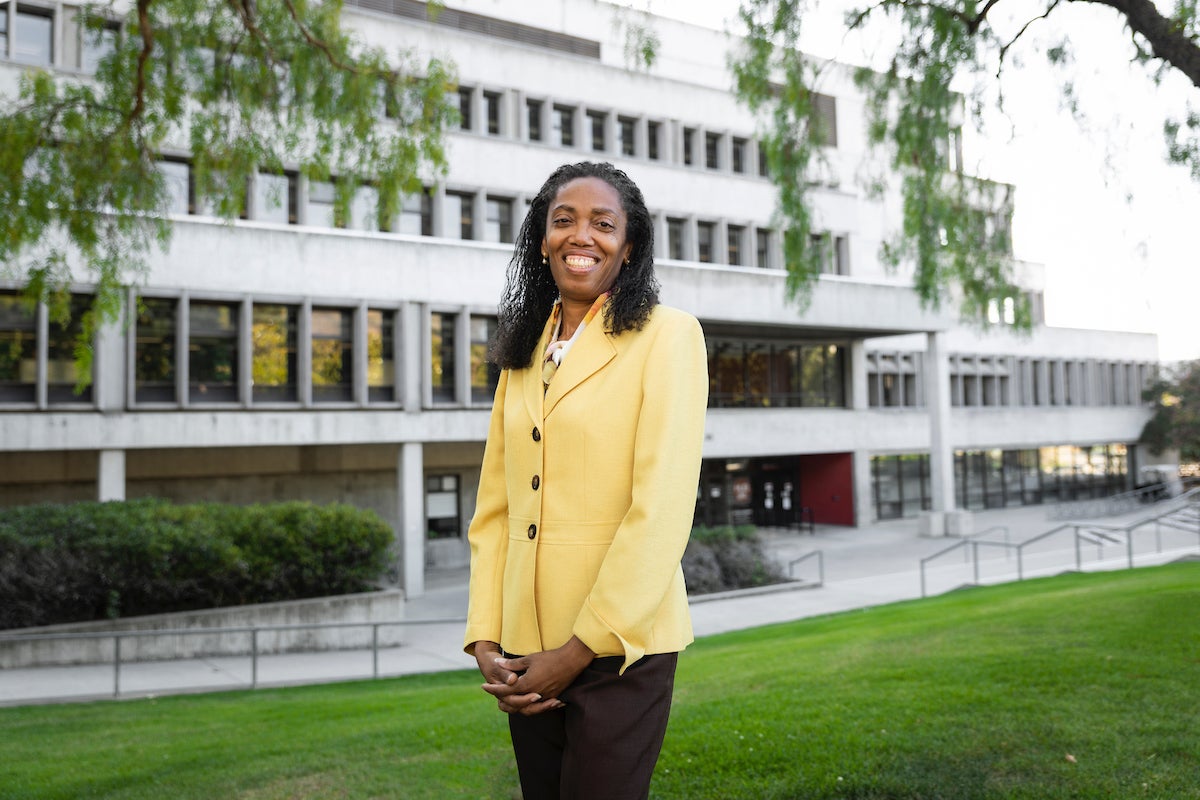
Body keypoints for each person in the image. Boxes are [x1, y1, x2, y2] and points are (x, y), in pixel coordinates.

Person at [463, 161, 708, 800]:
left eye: (603, 224)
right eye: (563, 221)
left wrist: (575, 654)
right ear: (540, 241)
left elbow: (661, 506)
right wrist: (487, 639)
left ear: (629, 247)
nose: (582, 236)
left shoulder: (669, 336)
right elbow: (496, 507)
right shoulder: (522, 350)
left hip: (620, 648)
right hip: (525, 646)